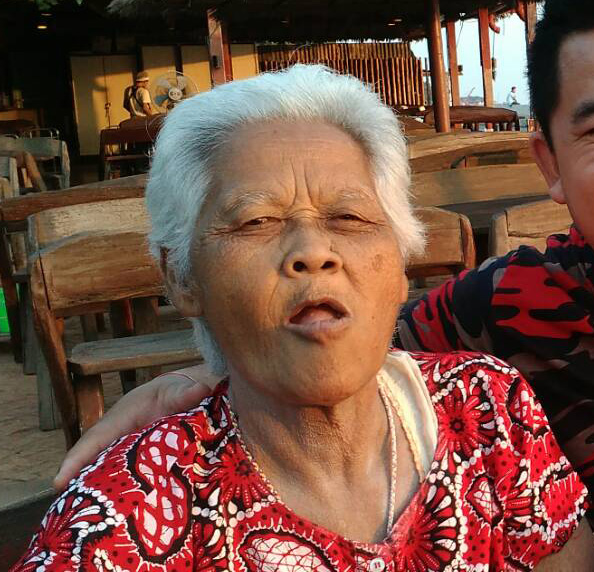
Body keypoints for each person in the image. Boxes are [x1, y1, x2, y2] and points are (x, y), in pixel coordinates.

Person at [13, 65, 592, 571]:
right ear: (182, 279)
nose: (313, 251)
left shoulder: (488, 409)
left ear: (400, 265)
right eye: (255, 222)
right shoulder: (124, 516)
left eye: (349, 216)